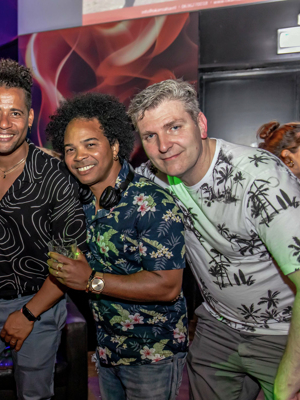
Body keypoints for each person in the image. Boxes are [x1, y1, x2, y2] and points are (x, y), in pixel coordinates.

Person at [129, 79, 300, 400]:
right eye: (150, 136)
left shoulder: (260, 180)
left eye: (174, 127)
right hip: (218, 325)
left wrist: (288, 382)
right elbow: (107, 179)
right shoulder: (155, 178)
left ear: (200, 123)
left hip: (283, 331)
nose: (164, 145)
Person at [0, 59, 87, 400]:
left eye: (15, 113)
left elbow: (69, 263)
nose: (4, 123)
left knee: (34, 395)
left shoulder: (56, 175)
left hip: (40, 300)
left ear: (31, 117)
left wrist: (28, 314)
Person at [44, 92, 188, 400]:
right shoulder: (81, 201)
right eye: (70, 149)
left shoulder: (152, 202)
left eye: (90, 144)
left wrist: (91, 281)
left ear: (114, 145)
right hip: (108, 350)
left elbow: (168, 286)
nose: (78, 156)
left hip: (152, 355)